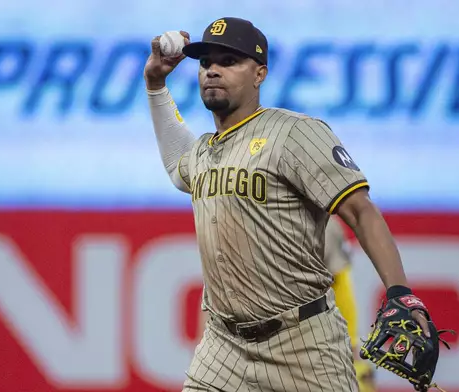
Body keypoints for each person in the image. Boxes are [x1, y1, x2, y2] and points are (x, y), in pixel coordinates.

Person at [144, 17, 433, 392]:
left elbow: (361, 211)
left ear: (259, 74)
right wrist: (155, 84)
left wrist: (399, 291)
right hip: (223, 346)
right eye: (206, 62)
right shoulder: (204, 151)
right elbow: (176, 163)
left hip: (302, 345)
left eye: (229, 61)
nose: (213, 71)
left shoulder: (295, 133)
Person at [194, 216, 377, 391]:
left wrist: (352, 353)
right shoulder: (233, 216)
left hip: (302, 350)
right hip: (234, 349)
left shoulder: (321, 222)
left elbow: (339, 290)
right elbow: (217, 288)